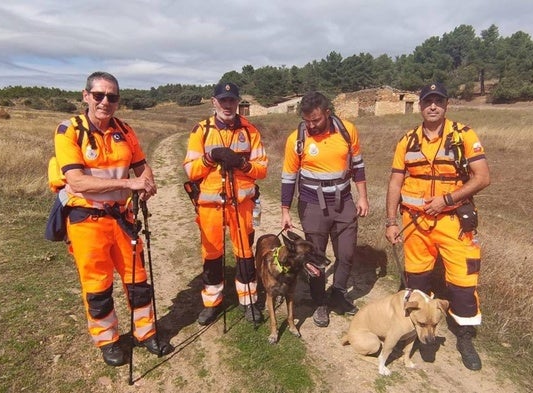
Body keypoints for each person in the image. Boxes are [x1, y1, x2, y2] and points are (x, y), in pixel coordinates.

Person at [52, 71, 173, 367]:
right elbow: (77, 182)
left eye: (112, 97)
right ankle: (108, 340)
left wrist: (147, 184)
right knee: (98, 286)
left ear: (118, 101)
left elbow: (142, 166)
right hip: (86, 221)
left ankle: (146, 333)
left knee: (139, 281)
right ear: (86, 96)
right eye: (99, 95)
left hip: (122, 218)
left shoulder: (125, 131)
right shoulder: (68, 130)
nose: (105, 101)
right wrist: (130, 185)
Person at [385, 82, 490, 371]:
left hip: (454, 222)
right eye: (427, 101)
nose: (433, 106)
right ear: (420, 105)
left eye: (438, 101)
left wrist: (446, 199)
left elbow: (482, 178)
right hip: (415, 224)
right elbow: (396, 181)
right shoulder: (407, 141)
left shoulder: (463, 135)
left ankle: (465, 337)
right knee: (416, 283)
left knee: (463, 284)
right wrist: (391, 221)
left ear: (446, 105)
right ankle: (417, 331)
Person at [281, 91, 369, 328]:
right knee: (316, 259)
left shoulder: (347, 130)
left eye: (316, 120)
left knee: (347, 254)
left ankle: (338, 294)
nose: (311, 125)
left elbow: (358, 166)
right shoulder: (296, 139)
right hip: (312, 205)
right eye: (306, 120)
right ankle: (320, 302)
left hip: (344, 202)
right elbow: (289, 177)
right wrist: (285, 210)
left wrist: (362, 197)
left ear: (328, 113)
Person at [183, 82, 268, 325]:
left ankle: (248, 300)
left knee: (244, 254)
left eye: (232, 100)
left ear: (238, 102)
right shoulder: (200, 131)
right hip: (210, 207)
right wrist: (211, 157)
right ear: (214, 102)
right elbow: (191, 169)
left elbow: (262, 169)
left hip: (242, 205)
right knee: (212, 255)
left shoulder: (250, 131)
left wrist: (242, 165)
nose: (228, 105)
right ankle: (212, 303)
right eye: (223, 100)